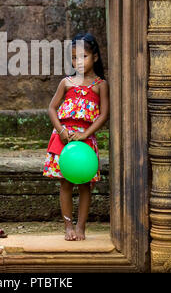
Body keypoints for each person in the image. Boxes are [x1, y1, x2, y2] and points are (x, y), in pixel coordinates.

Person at [43, 32, 109, 241]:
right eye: (74, 58)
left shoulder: (100, 85)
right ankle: (68, 226)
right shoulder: (67, 83)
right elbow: (52, 108)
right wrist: (62, 131)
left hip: (85, 141)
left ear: (95, 57)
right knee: (65, 183)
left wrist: (85, 134)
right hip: (64, 138)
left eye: (83, 57)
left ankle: (81, 227)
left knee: (85, 184)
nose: (78, 62)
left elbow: (104, 114)